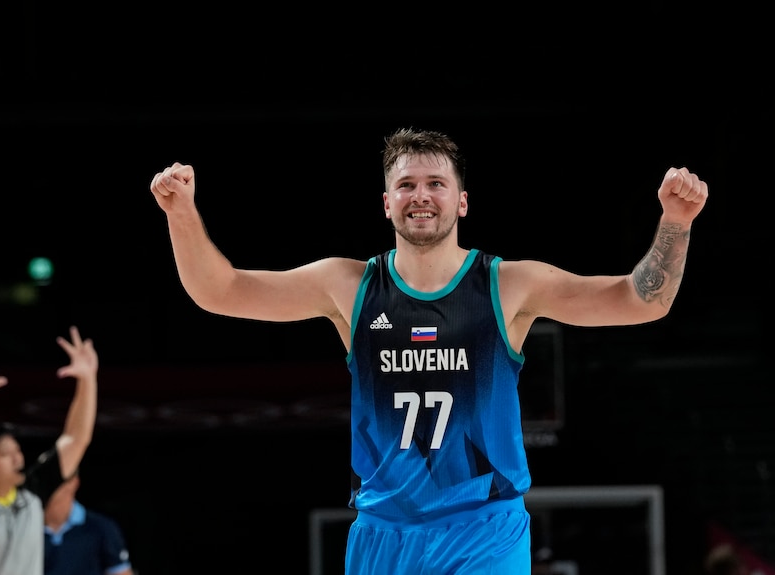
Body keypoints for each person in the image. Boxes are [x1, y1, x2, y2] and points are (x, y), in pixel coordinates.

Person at [148, 127, 708, 574]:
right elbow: (218, 291)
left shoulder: (508, 285)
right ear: (386, 202)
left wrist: (675, 223)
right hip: (383, 532)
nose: (422, 195)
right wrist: (180, 215)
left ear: (462, 202)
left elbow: (641, 301)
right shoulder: (348, 286)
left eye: (436, 183)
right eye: (408, 184)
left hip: (483, 527)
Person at [0, 326, 98, 575]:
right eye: (4, 454)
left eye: (17, 451)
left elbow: (76, 439)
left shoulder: (33, 493)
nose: (17, 458)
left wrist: (88, 380)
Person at [43, 471, 133, 575]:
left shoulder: (101, 527)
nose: (48, 483)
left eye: (56, 477)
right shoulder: (25, 527)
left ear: (74, 482)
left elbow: (122, 571)